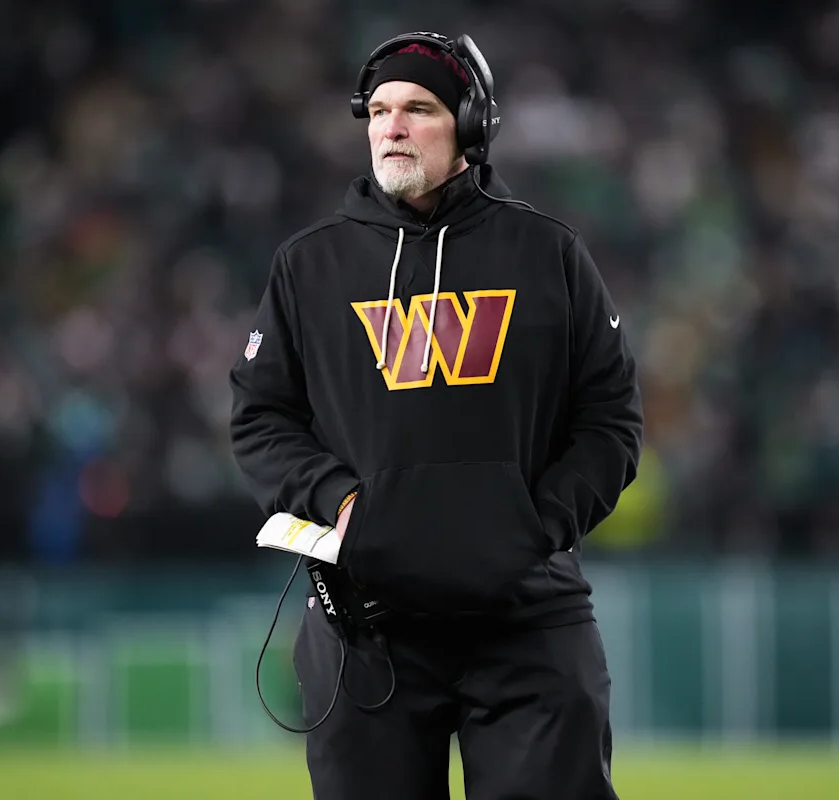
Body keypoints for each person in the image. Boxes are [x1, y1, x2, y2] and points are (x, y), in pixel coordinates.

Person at [230, 31, 642, 800]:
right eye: (379, 110)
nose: (392, 126)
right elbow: (260, 420)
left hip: (527, 618)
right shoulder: (309, 266)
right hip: (365, 627)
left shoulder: (547, 253)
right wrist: (342, 503)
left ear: (472, 128)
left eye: (418, 108)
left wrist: (538, 524)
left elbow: (610, 420)